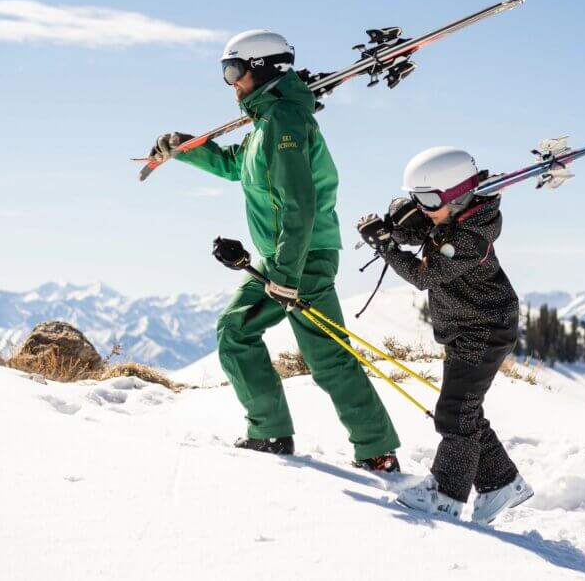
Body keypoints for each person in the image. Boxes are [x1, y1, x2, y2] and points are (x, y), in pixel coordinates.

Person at [151, 30, 400, 471]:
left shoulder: (285, 122)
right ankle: (268, 432)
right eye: (225, 72)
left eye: (233, 70)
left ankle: (376, 450)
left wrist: (286, 273)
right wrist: (185, 147)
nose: (230, 83)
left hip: (303, 257)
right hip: (278, 257)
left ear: (260, 68)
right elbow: (235, 165)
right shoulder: (266, 122)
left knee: (325, 356)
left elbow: (300, 202)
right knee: (235, 330)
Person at [357, 146, 534, 522]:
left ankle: (445, 495)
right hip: (468, 328)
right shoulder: (452, 217)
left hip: (484, 330)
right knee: (464, 410)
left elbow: (425, 274)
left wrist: (386, 246)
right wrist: (395, 223)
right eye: (415, 197)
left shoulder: (470, 236)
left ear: (455, 195)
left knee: (454, 414)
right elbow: (422, 227)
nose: (421, 206)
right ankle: (502, 483)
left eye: (427, 199)